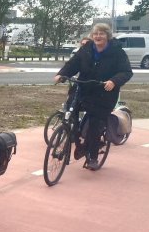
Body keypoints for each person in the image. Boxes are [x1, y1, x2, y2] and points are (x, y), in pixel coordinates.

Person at [54, 23, 133, 170]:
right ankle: (77, 138)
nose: (98, 36)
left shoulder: (117, 52)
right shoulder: (86, 49)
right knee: (70, 110)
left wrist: (114, 81)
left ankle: (93, 156)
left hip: (104, 93)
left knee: (95, 124)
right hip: (83, 88)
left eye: (101, 33)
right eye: (96, 33)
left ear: (107, 36)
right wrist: (62, 74)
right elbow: (73, 64)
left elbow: (126, 71)